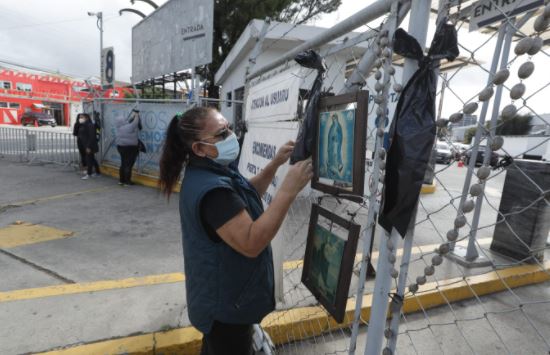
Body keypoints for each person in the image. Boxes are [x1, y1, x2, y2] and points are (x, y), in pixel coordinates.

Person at [158, 107, 312, 355]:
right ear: (198, 148)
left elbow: (243, 197)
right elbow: (251, 241)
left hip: (223, 301)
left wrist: (274, 165)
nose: (231, 135)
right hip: (226, 310)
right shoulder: (213, 192)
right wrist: (288, 190)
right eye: (221, 133)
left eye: (229, 127)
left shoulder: (212, 169)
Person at [115, 109, 141, 186]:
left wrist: (132, 116)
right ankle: (127, 181)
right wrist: (136, 115)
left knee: (123, 164)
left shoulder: (120, 127)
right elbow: (135, 123)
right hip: (129, 148)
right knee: (128, 165)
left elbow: (129, 123)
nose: (125, 120)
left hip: (121, 147)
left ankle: (121, 180)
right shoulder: (128, 127)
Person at [78, 113, 100, 179]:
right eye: (80, 117)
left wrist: (88, 147)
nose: (80, 119)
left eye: (82, 117)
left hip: (90, 146)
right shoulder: (84, 125)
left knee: (89, 159)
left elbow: (92, 137)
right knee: (92, 159)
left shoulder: (90, 125)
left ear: (86, 118)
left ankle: (89, 174)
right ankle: (97, 172)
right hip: (86, 145)